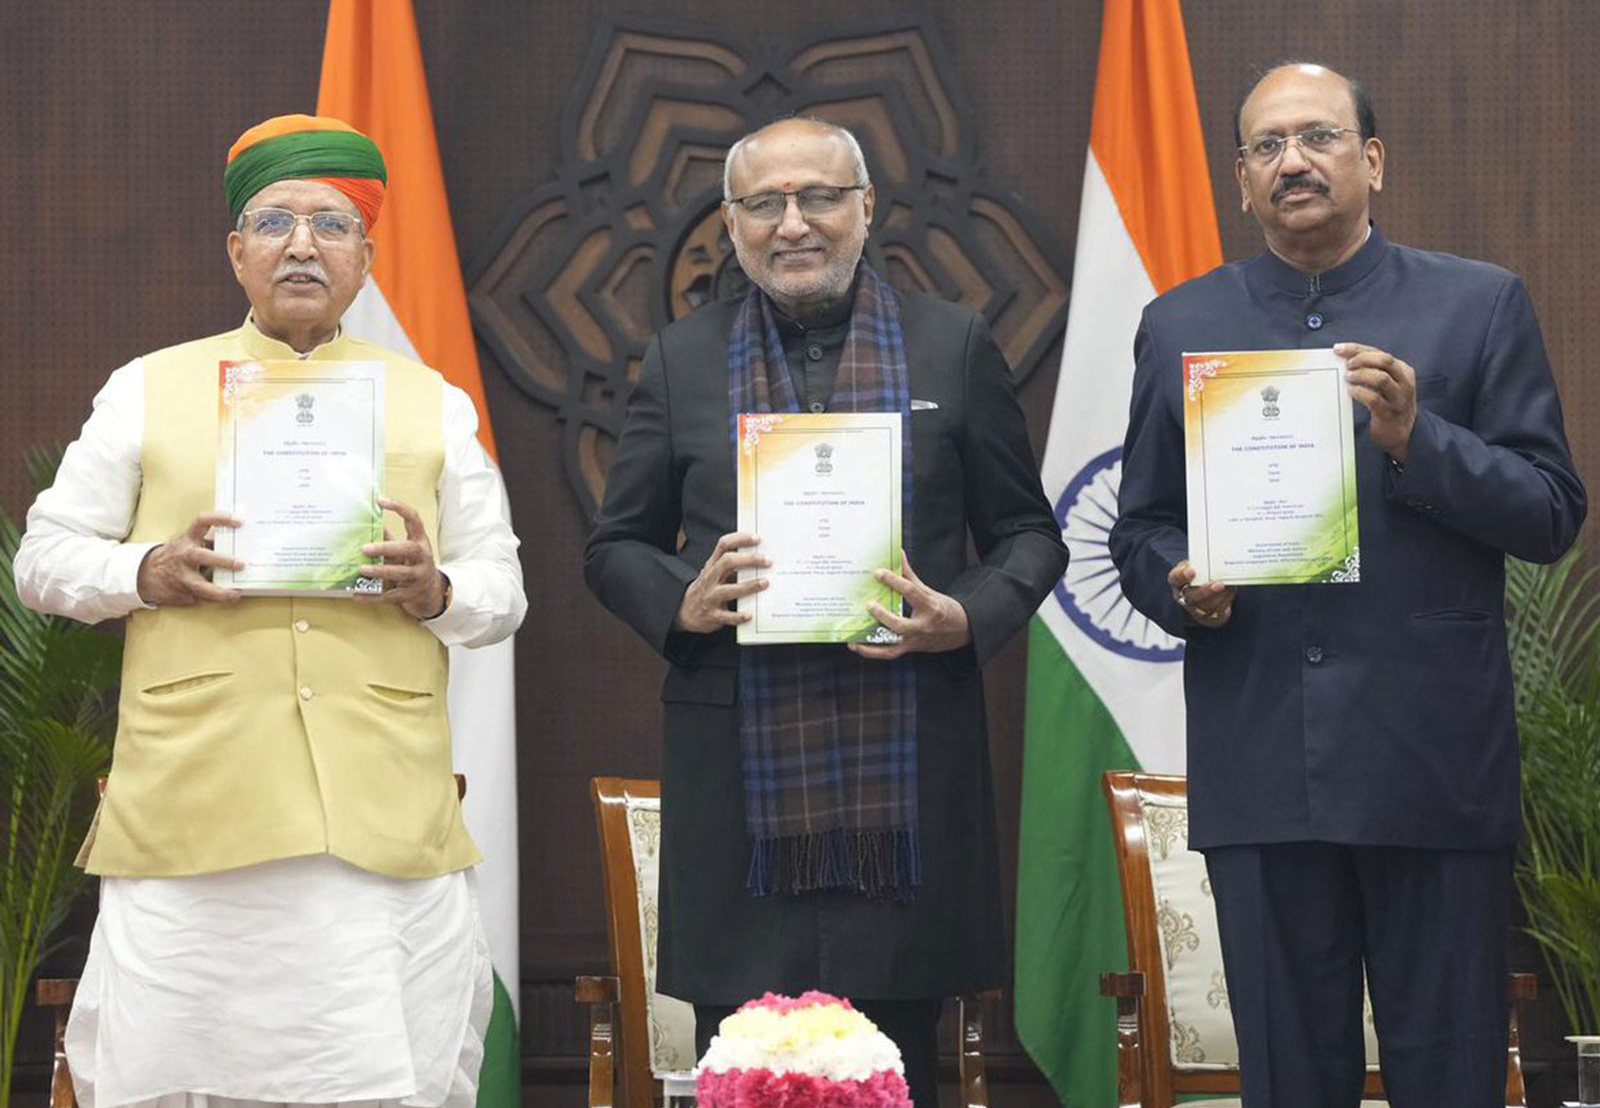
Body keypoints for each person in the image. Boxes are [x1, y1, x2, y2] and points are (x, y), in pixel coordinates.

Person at [15, 114, 527, 1108]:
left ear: (366, 258)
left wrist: (437, 590)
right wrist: (147, 570)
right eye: (277, 221)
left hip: (377, 819)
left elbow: (498, 588)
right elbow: (44, 562)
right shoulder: (147, 389)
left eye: (332, 225)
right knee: (174, 1073)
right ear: (236, 251)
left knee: (378, 1077)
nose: (303, 244)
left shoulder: (432, 401)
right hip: (194, 806)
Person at [1109, 62, 1587, 1108]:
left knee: (1450, 1077)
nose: (1292, 162)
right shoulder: (1180, 323)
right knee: (1288, 1083)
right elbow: (1137, 526)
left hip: (1431, 767)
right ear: (1240, 181)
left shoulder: (1476, 305)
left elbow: (1551, 513)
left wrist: (1421, 439)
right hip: (1262, 765)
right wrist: (1179, 589)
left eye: (1317, 138)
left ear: (1371, 160)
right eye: (1266, 146)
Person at [583, 118, 1068, 1106]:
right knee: (751, 1074)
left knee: (895, 1071)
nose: (792, 223)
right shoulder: (679, 359)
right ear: (730, 223)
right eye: (764, 204)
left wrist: (963, 616)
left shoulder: (953, 347)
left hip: (908, 788)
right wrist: (683, 599)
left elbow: (1029, 535)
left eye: (818, 198)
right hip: (742, 802)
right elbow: (612, 545)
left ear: (865, 209)